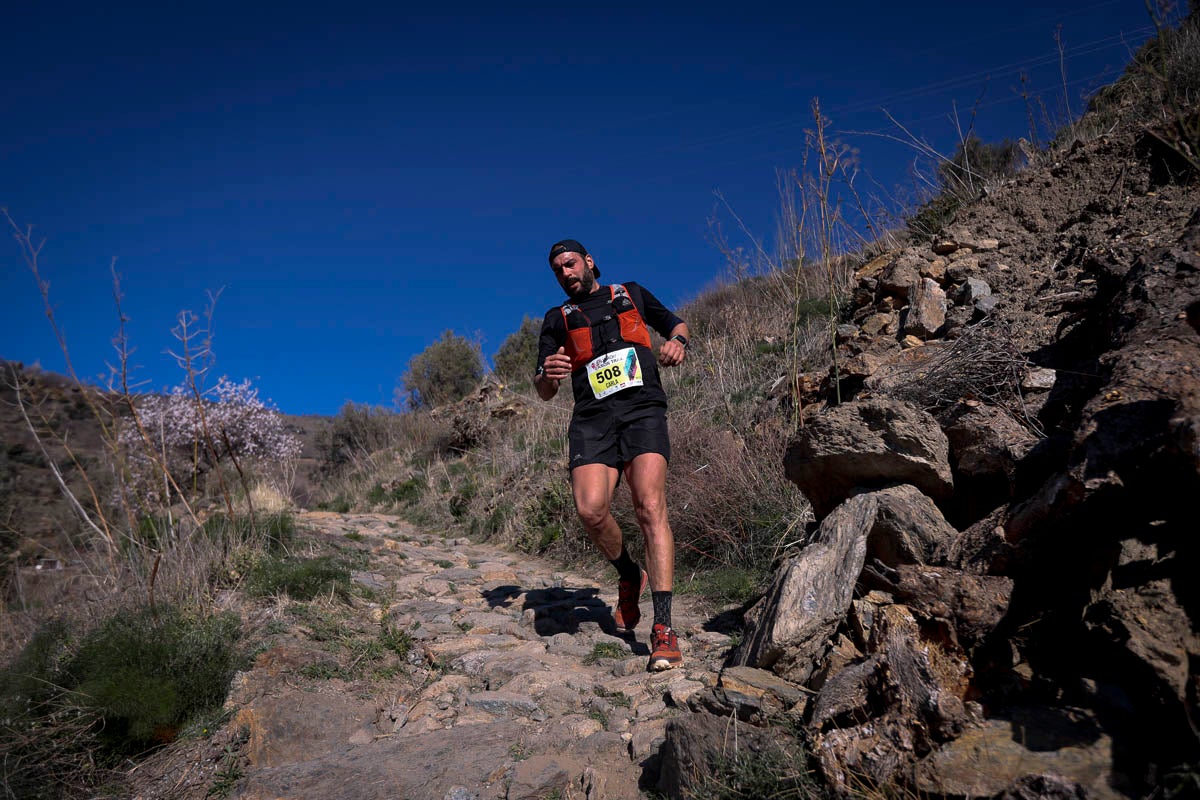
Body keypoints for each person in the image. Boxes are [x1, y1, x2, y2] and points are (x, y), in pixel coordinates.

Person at [534, 238, 690, 671]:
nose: (565, 273)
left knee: (650, 506)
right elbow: (544, 389)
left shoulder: (632, 293)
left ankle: (663, 630)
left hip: (642, 410)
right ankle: (628, 574)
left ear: (589, 261)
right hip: (592, 419)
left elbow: (677, 325)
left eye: (570, 264)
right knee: (591, 509)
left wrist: (679, 343)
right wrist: (549, 375)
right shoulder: (556, 319)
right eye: (557, 270)